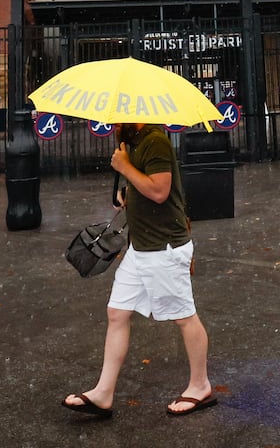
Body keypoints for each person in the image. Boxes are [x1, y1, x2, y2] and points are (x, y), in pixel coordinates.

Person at [62, 123, 215, 420]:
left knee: (184, 316)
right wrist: (127, 193)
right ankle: (103, 393)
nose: (114, 125)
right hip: (140, 247)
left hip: (163, 248)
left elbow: (159, 191)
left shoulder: (155, 141)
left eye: (118, 119)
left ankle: (201, 386)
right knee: (117, 313)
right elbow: (145, 187)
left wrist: (124, 167)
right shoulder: (135, 142)